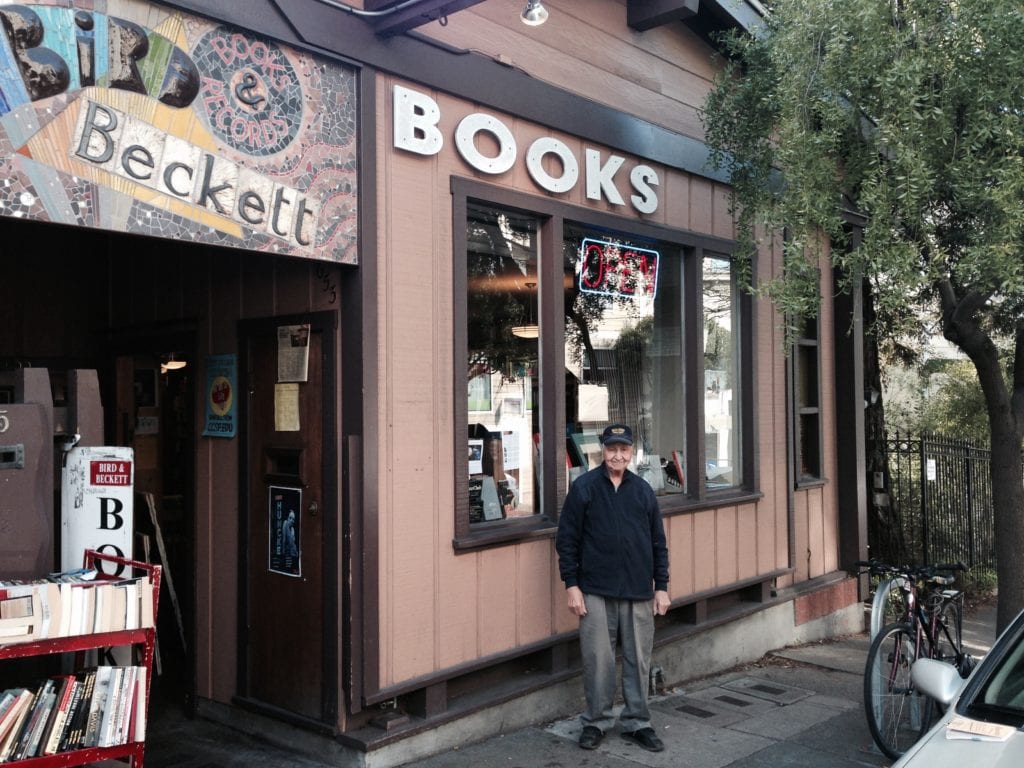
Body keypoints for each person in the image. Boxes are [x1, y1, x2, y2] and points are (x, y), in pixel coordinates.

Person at [556, 423, 670, 752]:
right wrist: (572, 585)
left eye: (623, 449)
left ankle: (638, 721)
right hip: (594, 589)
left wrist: (661, 586)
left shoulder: (643, 491)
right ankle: (596, 721)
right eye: (611, 449)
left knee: (638, 659)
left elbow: (658, 544)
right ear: (602, 451)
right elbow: (566, 540)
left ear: (631, 451)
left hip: (638, 590)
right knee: (598, 661)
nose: (617, 455)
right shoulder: (584, 488)